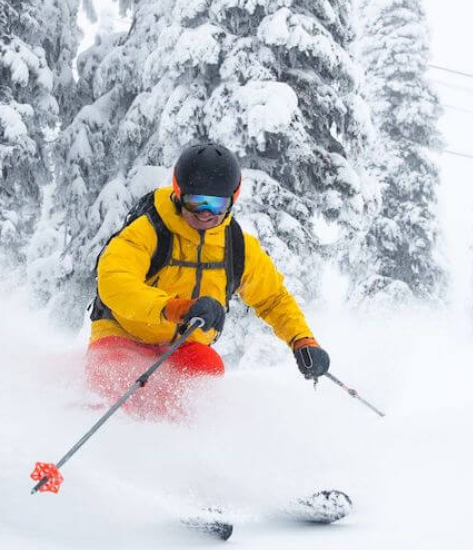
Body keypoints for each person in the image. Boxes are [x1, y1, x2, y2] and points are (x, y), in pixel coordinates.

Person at [86, 142, 331, 421]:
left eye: (216, 204)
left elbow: (272, 299)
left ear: (232, 200)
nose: (205, 213)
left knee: (206, 373)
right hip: (123, 332)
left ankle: (178, 447)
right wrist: (177, 308)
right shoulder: (149, 230)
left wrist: (302, 340)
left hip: (179, 345)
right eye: (196, 202)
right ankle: (100, 448)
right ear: (179, 194)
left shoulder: (237, 246)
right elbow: (115, 283)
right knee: (113, 377)